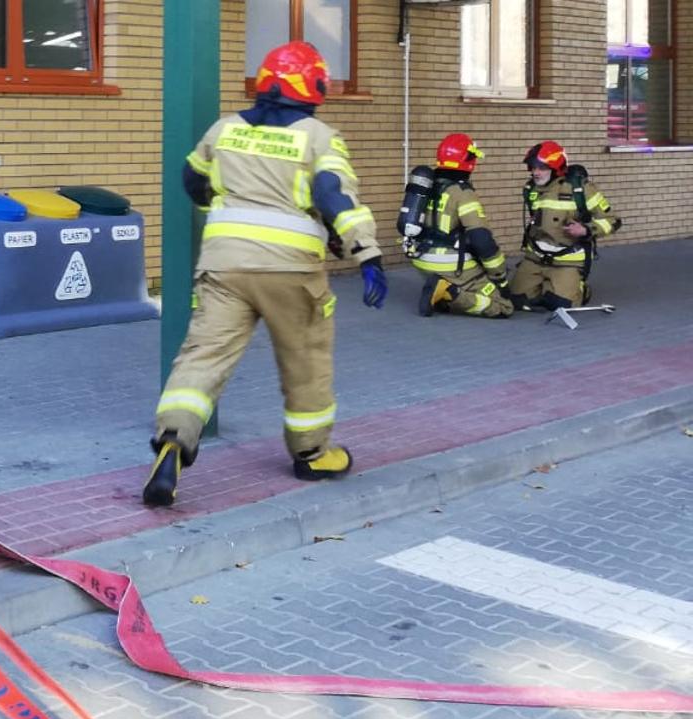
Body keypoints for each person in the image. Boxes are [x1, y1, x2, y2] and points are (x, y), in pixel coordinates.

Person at [143, 41, 384, 507]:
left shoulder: (225, 128)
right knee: (305, 360)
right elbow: (334, 197)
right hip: (290, 271)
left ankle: (174, 439)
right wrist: (367, 253)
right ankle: (312, 453)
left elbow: (193, 180)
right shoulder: (319, 136)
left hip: (224, 266)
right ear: (312, 85)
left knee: (203, 356)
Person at [405, 134, 512, 318]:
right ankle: (449, 291)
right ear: (468, 161)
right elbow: (482, 240)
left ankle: (443, 293)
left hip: (420, 256)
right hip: (448, 263)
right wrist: (499, 277)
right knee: (503, 306)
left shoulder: (428, 184)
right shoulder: (462, 193)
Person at [510, 140, 621, 311]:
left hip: (567, 261)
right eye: (532, 167)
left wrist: (586, 230)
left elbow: (613, 220)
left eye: (541, 168)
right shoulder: (531, 188)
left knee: (560, 305)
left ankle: (581, 290)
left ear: (556, 168)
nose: (535, 172)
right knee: (517, 300)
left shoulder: (581, 189)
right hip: (536, 258)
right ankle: (546, 284)